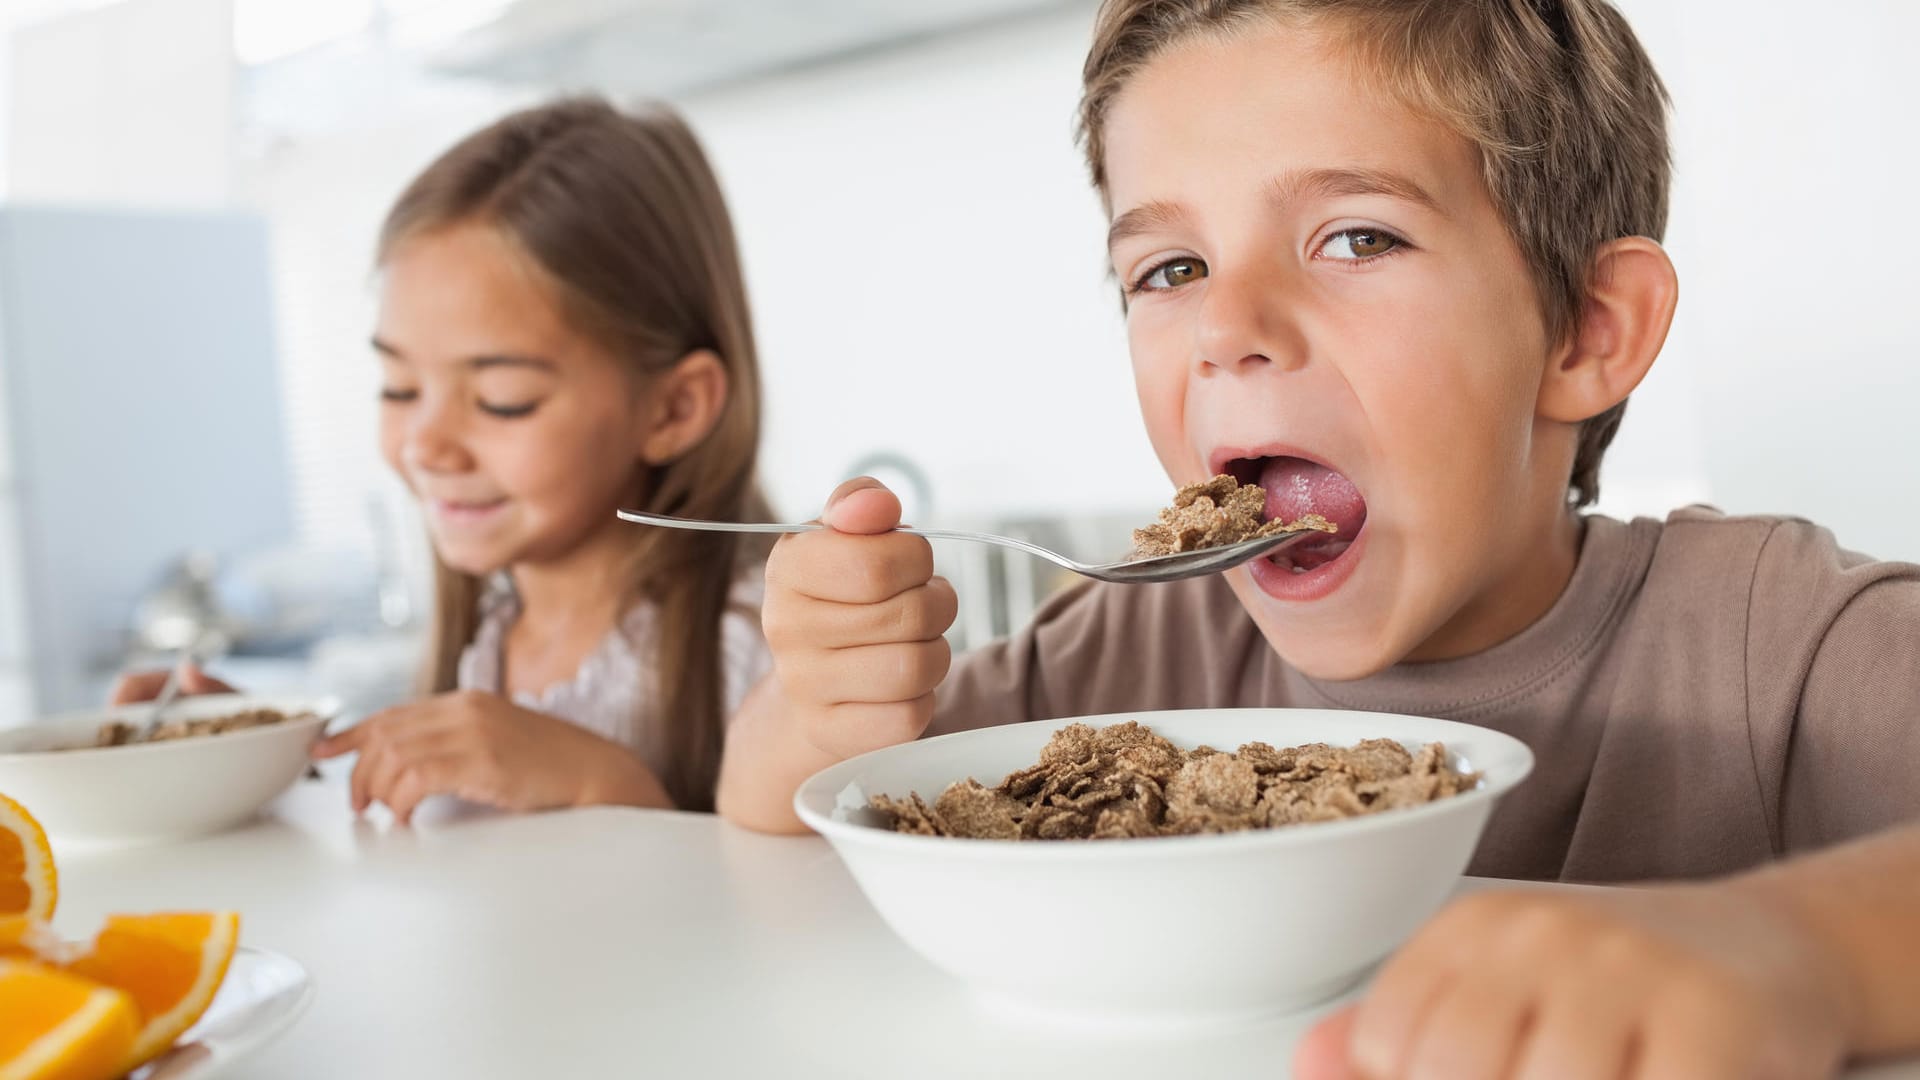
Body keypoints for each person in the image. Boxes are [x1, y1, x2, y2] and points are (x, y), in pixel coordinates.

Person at [716, 2, 1920, 1076]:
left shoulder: (1783, 643)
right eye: (1171, 266)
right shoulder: (1123, 655)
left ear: (1587, 332)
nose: (1227, 326)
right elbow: (779, 834)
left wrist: (1795, 948)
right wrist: (821, 708)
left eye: (1356, 238)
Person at [117, 97, 773, 820]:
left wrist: (599, 781)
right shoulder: (491, 635)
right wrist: (264, 759)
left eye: (502, 398)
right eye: (400, 387)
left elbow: (793, 914)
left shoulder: (758, 650)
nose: (424, 444)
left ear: (674, 409)